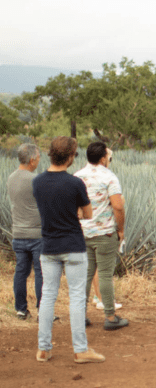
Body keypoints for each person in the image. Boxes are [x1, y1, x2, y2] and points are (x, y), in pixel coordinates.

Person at [33, 136, 105, 364]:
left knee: (47, 296)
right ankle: (81, 350)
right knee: (76, 297)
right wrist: (78, 213)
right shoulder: (75, 183)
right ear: (71, 156)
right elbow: (89, 213)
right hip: (73, 246)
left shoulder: (37, 182)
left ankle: (43, 349)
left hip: (49, 246)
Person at [75, 142, 128, 331]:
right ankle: (110, 316)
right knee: (105, 274)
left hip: (83, 233)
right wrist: (121, 230)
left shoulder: (77, 176)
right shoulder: (109, 177)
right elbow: (118, 206)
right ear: (103, 158)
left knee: (86, 276)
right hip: (105, 233)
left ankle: (80, 316)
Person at [7, 144, 42, 320]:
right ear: (31, 160)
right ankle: (43, 310)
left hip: (18, 233)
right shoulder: (35, 179)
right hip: (37, 234)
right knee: (41, 272)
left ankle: (21, 309)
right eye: (38, 157)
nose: (39, 160)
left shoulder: (11, 178)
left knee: (21, 272)